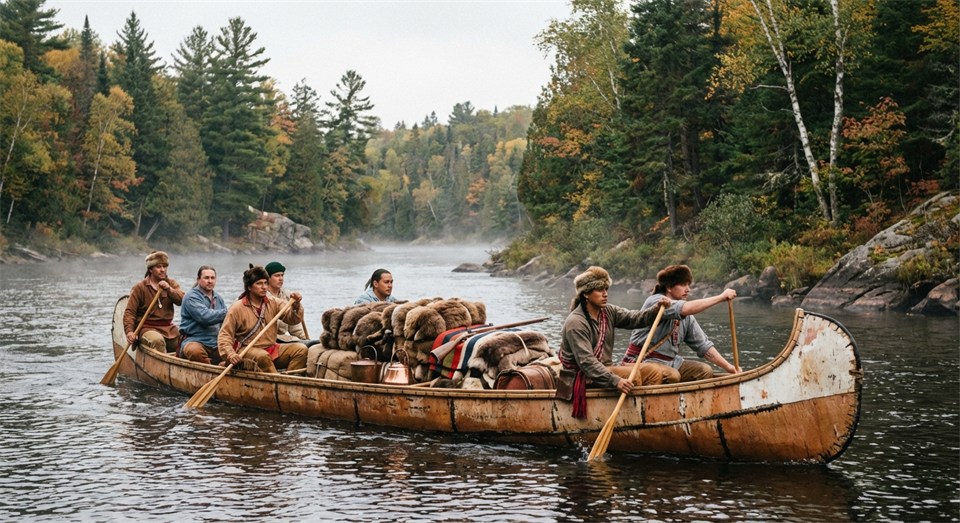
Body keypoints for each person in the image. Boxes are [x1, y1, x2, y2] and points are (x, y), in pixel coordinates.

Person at [558, 266, 678, 418]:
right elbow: (587, 363)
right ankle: (633, 416)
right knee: (631, 376)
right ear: (586, 294)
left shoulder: (608, 311)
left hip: (603, 369)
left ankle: (645, 413)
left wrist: (656, 309)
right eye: (600, 290)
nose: (605, 294)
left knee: (654, 371)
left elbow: (634, 319)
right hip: (582, 376)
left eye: (606, 289)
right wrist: (615, 380)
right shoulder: (576, 323)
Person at [622, 264, 740, 383]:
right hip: (642, 362)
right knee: (673, 375)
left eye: (688, 284)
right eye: (683, 285)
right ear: (669, 287)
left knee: (705, 370)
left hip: (670, 363)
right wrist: (721, 297)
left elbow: (703, 346)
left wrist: (729, 368)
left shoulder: (687, 318)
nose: (687, 289)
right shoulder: (657, 302)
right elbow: (685, 308)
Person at [218, 265, 308, 373]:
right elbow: (224, 336)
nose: (264, 287)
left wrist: (296, 305)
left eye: (265, 283)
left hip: (271, 348)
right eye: (259, 283)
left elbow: (293, 319)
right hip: (246, 350)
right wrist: (230, 354)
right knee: (262, 357)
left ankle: (292, 380)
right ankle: (277, 382)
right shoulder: (237, 308)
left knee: (301, 350)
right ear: (249, 287)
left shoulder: (273, 302)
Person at [123, 250, 184, 354]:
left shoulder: (171, 284)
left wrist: (169, 289)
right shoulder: (140, 288)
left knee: (184, 341)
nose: (162, 270)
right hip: (147, 329)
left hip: (168, 329)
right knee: (157, 341)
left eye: (165, 266)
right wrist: (129, 331)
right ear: (150, 269)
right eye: (159, 267)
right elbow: (130, 312)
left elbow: (182, 300)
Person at [178, 265, 228, 365]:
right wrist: (230, 311)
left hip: (215, 342)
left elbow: (225, 322)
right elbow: (205, 317)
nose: (210, 281)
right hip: (194, 340)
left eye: (212, 278)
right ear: (198, 279)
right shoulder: (191, 297)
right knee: (194, 351)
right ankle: (210, 367)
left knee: (233, 352)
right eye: (206, 278)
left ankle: (220, 365)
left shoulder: (218, 298)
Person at [265, 261, 308, 342]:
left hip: (282, 338)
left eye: (282, 275)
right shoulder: (261, 296)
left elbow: (295, 327)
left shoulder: (288, 296)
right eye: (277, 275)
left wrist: (305, 340)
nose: (281, 278)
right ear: (268, 278)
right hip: (266, 338)